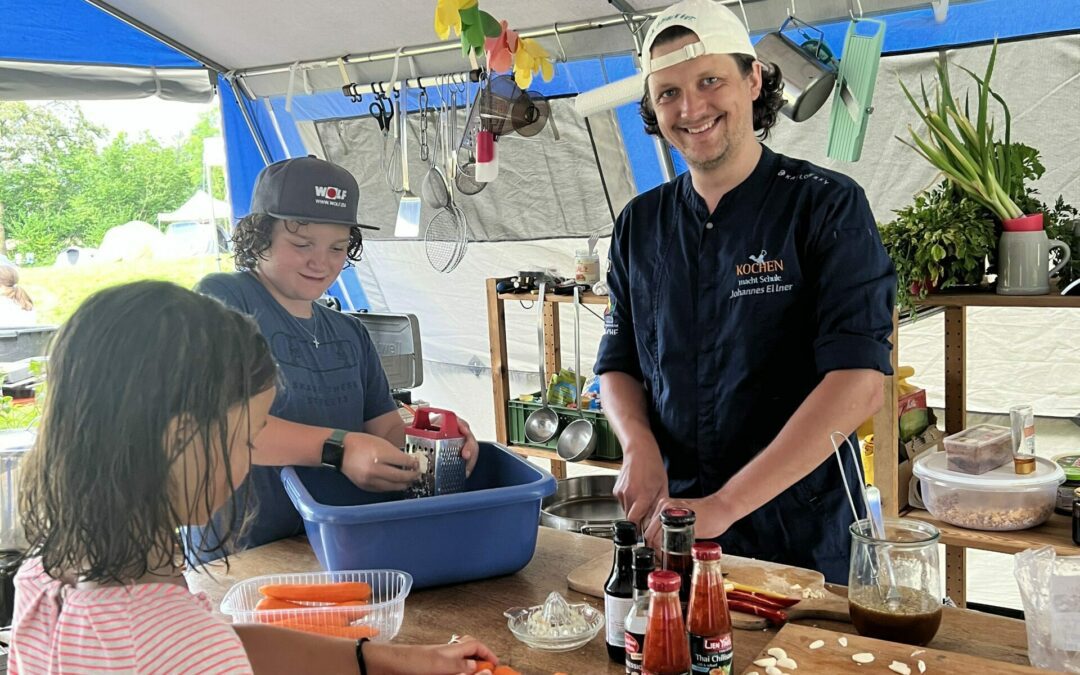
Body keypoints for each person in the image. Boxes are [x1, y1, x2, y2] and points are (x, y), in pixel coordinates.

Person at [11, 281, 497, 674]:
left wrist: (386, 658)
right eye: (248, 437)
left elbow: (225, 644)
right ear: (181, 441)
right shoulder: (174, 646)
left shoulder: (50, 570)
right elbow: (202, 651)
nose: (251, 456)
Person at [595, 0, 896, 583]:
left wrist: (727, 504)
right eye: (668, 94)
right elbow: (618, 361)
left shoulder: (824, 206)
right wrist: (637, 445)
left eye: (710, 81)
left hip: (804, 534)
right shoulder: (640, 223)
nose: (691, 108)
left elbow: (858, 385)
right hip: (677, 525)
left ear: (753, 79)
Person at [193, 156, 480, 555]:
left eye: (337, 247)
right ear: (258, 237)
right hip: (244, 552)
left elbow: (385, 435)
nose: (321, 262)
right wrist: (339, 449)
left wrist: (435, 440)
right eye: (301, 244)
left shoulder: (350, 333)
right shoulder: (223, 299)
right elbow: (225, 425)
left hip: (334, 546)